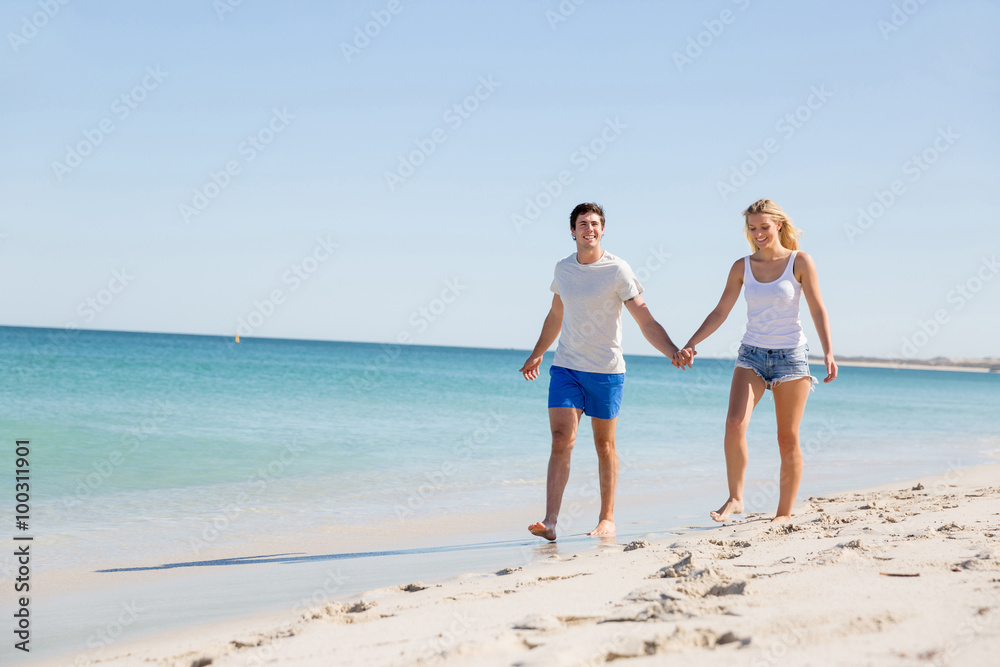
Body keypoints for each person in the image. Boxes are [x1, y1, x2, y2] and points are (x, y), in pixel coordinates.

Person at [519, 202, 681, 541]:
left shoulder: (618, 270)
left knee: (604, 445)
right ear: (572, 230)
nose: (588, 229)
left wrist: (672, 351)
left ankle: (607, 519)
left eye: (594, 223)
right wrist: (537, 354)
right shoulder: (563, 269)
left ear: (603, 230)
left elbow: (645, 319)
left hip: (607, 371)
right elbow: (555, 316)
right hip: (566, 367)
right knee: (561, 440)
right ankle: (550, 522)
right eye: (582, 223)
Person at [675, 198, 837, 523]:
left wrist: (829, 352)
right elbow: (720, 311)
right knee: (734, 424)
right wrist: (691, 343)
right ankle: (736, 498)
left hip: (791, 358)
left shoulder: (800, 261)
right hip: (751, 354)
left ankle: (783, 513)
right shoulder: (742, 267)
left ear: (778, 225)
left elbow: (818, 308)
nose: (758, 234)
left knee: (787, 437)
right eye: (752, 228)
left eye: (764, 227)